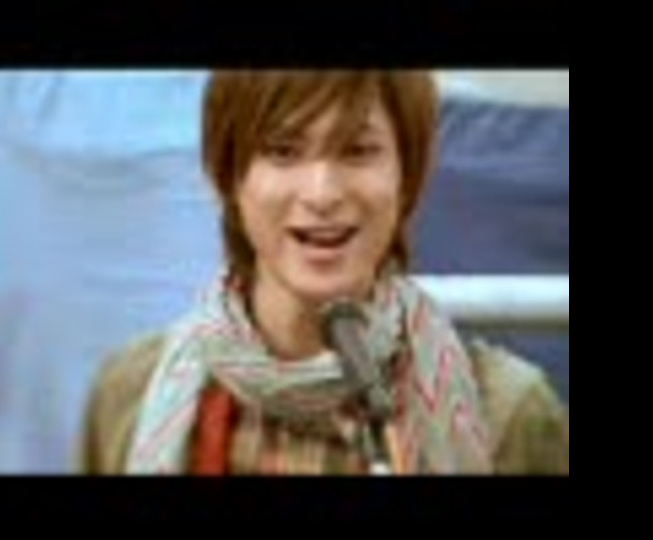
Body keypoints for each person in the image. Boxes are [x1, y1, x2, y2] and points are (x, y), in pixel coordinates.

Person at [80, 70, 569, 475]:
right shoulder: (130, 395)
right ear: (227, 177)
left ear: (408, 175)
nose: (321, 193)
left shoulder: (508, 417)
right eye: (282, 151)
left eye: (357, 151)